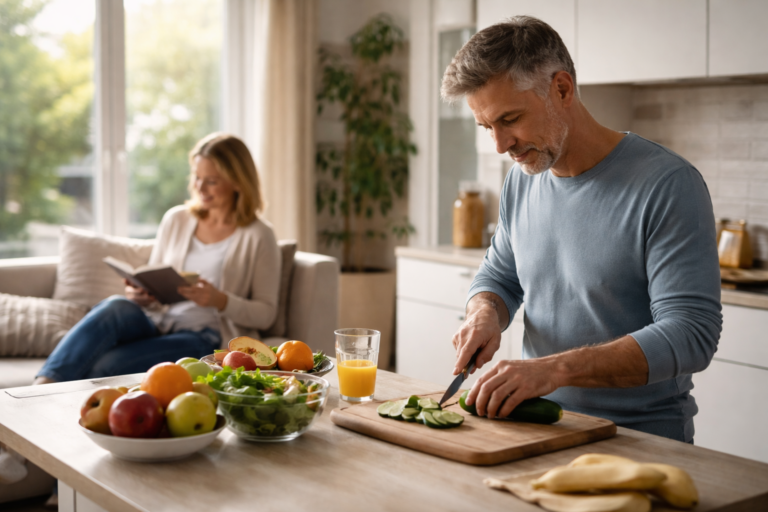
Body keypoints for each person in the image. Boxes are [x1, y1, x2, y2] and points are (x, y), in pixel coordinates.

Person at [441, 16, 722, 443]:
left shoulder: (667, 185)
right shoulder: (522, 178)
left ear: (562, 89)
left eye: (510, 119)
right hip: (534, 431)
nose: (500, 145)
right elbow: (500, 276)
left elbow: (691, 333)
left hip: (639, 442)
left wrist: (553, 369)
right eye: (487, 127)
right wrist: (484, 313)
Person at [33, 133, 281, 384]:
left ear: (238, 182)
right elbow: (155, 281)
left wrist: (221, 300)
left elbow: (266, 313)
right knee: (115, 306)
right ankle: (39, 387)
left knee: (108, 364)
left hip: (205, 337)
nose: (200, 187)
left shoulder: (259, 235)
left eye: (212, 181)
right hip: (158, 323)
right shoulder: (177, 219)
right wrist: (143, 296)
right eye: (196, 177)